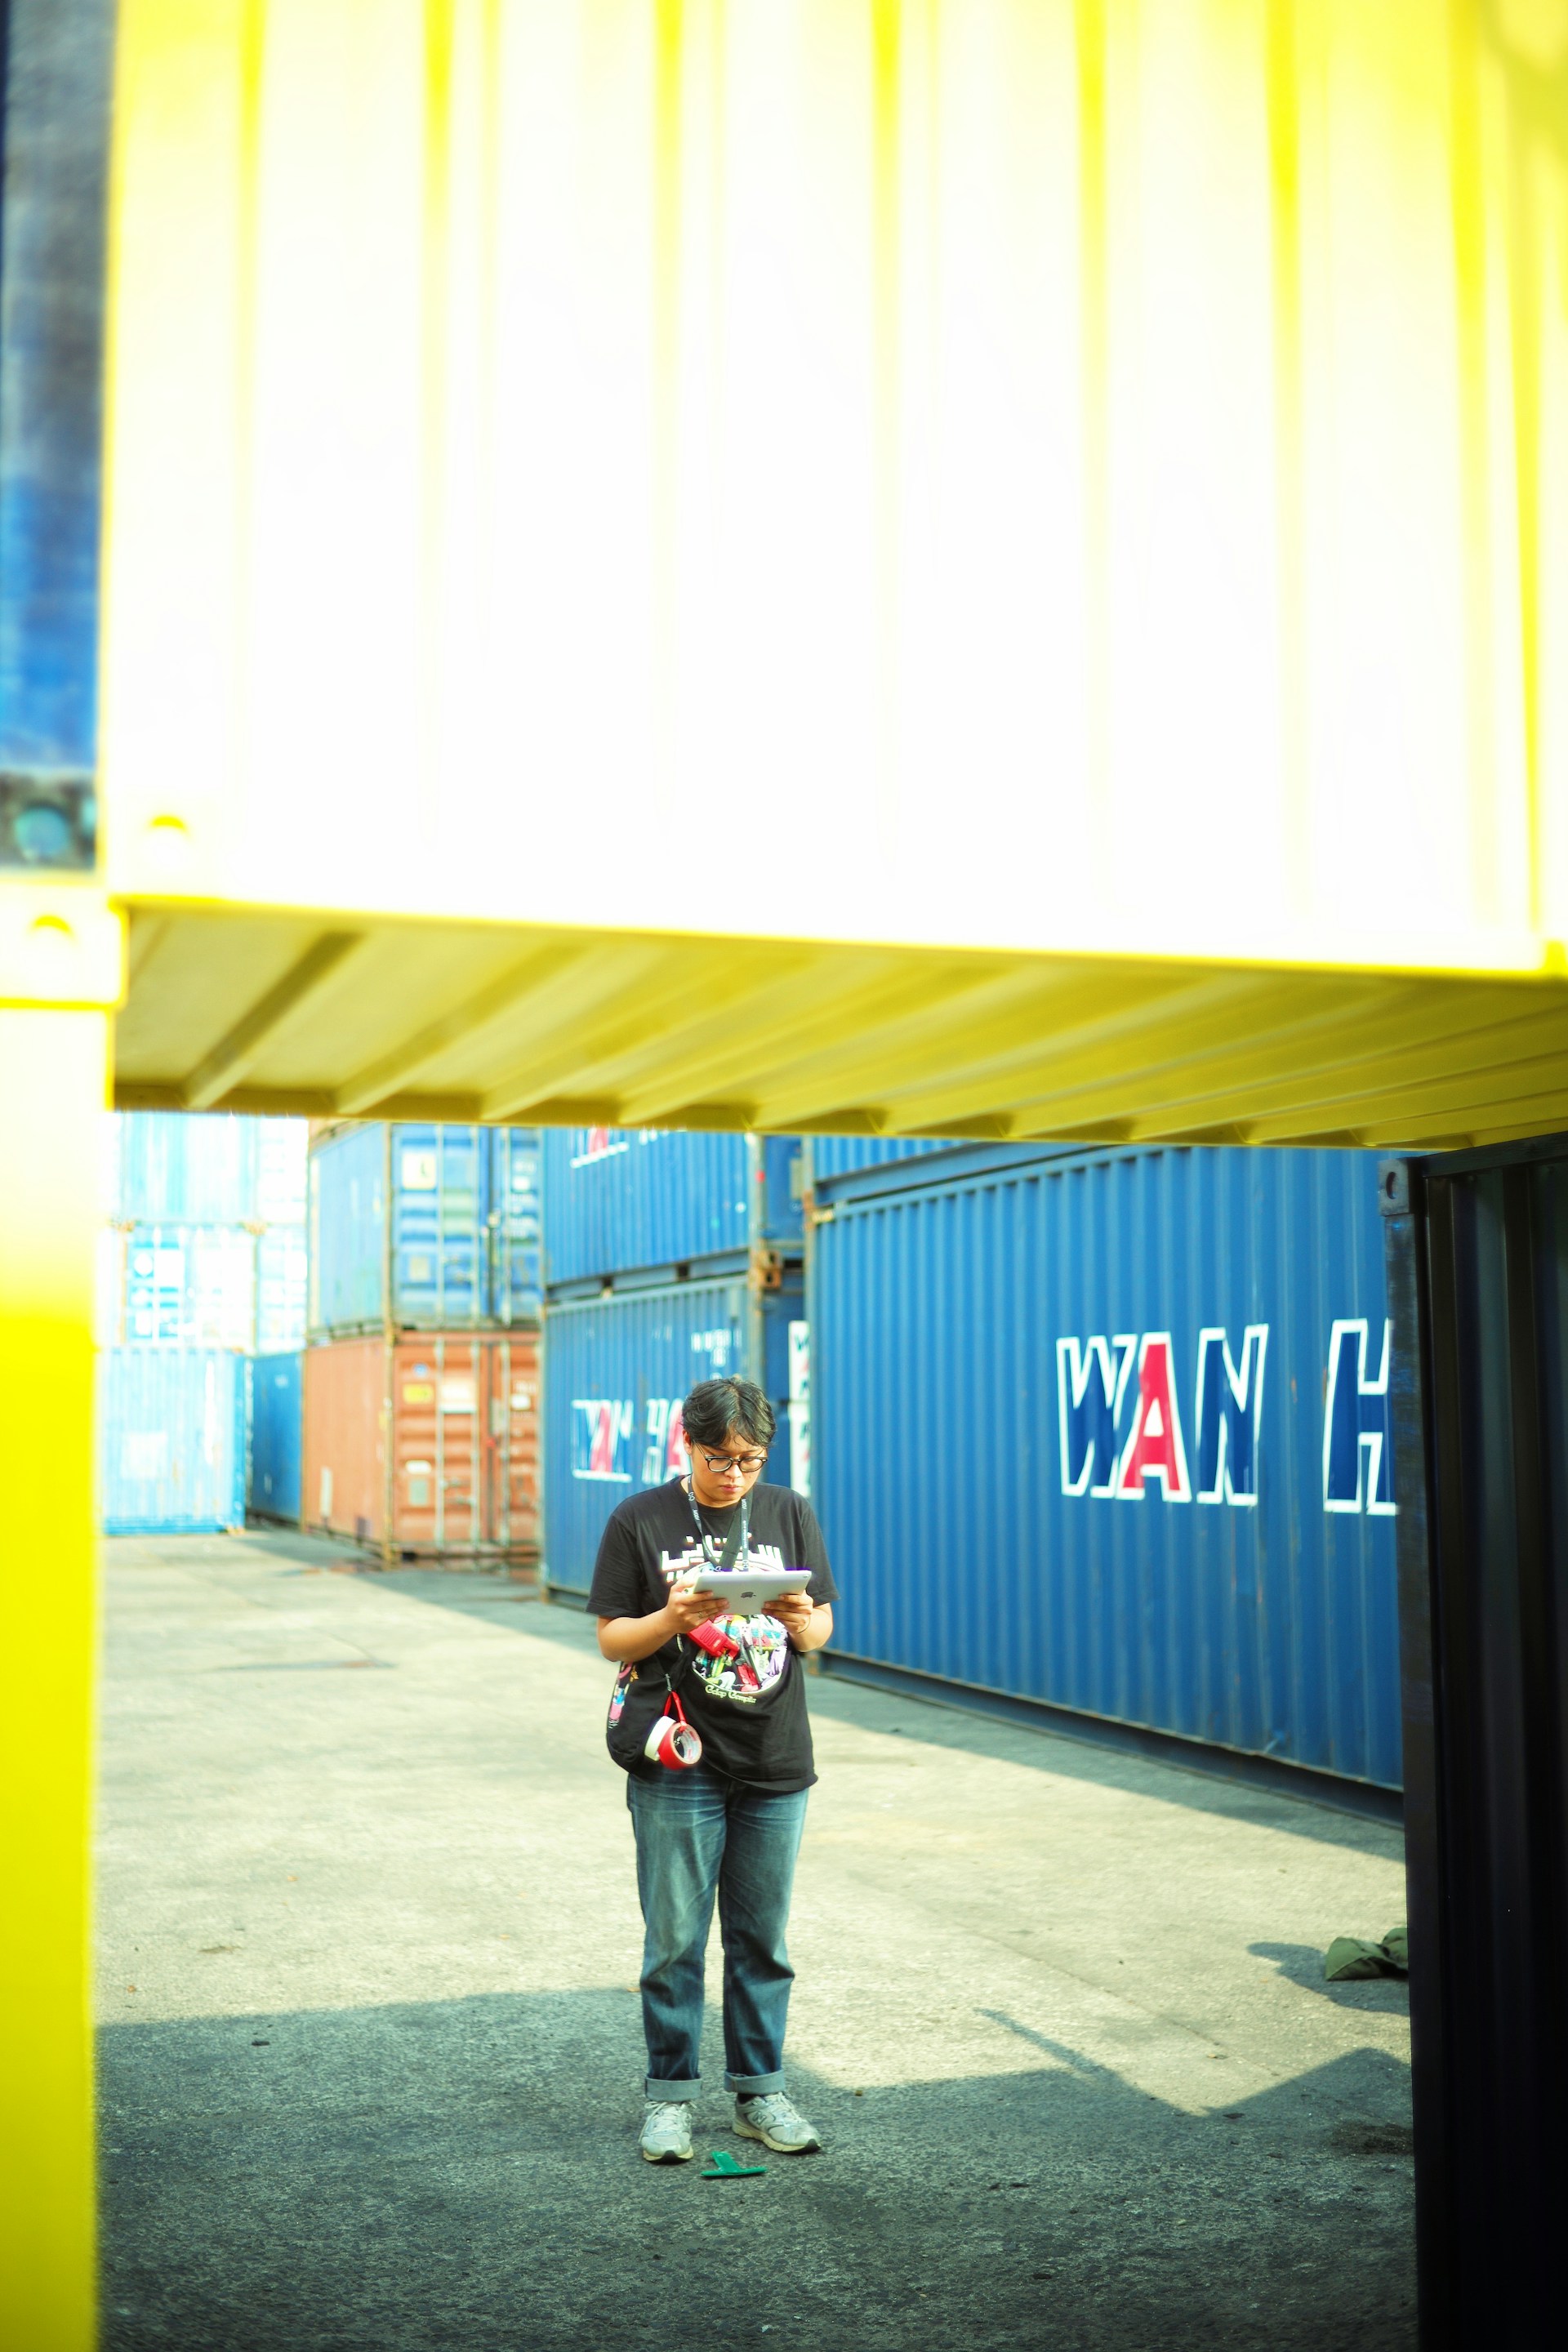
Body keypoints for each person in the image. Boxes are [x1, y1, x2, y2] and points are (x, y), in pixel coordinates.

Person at [590, 1374, 838, 2164]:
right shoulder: (641, 1519)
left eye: (750, 1459)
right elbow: (611, 1639)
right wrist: (673, 1617)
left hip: (776, 1756)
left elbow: (822, 1628)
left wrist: (804, 1621)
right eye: (718, 1458)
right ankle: (669, 2100)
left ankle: (760, 2092)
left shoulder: (789, 1510)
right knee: (674, 1943)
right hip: (679, 1758)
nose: (734, 1475)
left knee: (763, 1941)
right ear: (685, 1444)